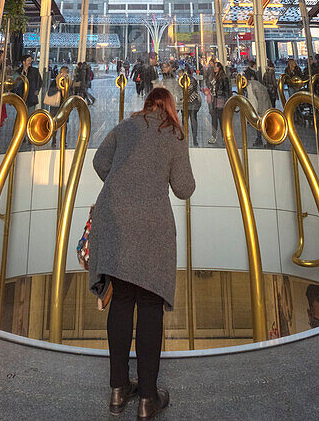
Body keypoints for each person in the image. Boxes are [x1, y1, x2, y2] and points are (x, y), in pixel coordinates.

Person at [89, 87, 195, 418]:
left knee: (121, 301)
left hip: (114, 219)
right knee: (150, 306)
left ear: (147, 105)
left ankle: (118, 391)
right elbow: (184, 188)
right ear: (170, 108)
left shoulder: (125, 126)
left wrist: (125, 185)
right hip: (151, 226)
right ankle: (148, 399)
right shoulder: (174, 135)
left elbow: (99, 161)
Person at [208, 60, 231, 145]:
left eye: (216, 66)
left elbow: (226, 90)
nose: (214, 68)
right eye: (214, 66)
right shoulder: (214, 76)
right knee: (214, 119)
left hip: (220, 100)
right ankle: (214, 136)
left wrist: (226, 101)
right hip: (214, 99)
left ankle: (224, 137)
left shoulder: (223, 78)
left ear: (220, 68)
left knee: (221, 120)